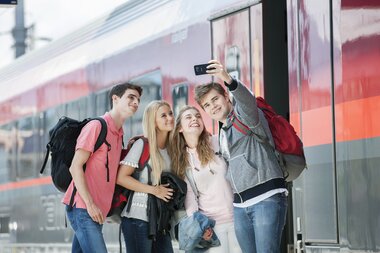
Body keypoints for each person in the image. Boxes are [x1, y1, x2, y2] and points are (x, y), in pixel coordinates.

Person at [194, 60, 288, 253]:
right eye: (207, 105)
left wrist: (227, 78)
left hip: (266, 197)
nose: (213, 106)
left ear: (226, 97)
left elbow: (247, 100)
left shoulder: (244, 115)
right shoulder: (221, 132)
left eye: (215, 100)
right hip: (240, 205)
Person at [62, 82, 143, 253]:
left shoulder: (119, 133)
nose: (136, 102)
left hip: (97, 211)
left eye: (138, 99)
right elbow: (75, 167)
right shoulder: (97, 126)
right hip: (83, 208)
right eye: (131, 97)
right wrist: (90, 204)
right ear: (115, 98)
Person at [169, 105, 241, 253]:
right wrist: (200, 226)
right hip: (212, 226)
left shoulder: (218, 141)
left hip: (238, 218)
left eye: (197, 116)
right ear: (180, 128)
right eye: (188, 117)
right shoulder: (182, 160)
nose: (194, 119)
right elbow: (189, 197)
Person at [116, 100, 175, 253]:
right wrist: (155, 190)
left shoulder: (171, 148)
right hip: (137, 219)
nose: (169, 117)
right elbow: (121, 177)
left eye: (170, 113)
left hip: (160, 220)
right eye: (163, 115)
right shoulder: (142, 144)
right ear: (153, 122)